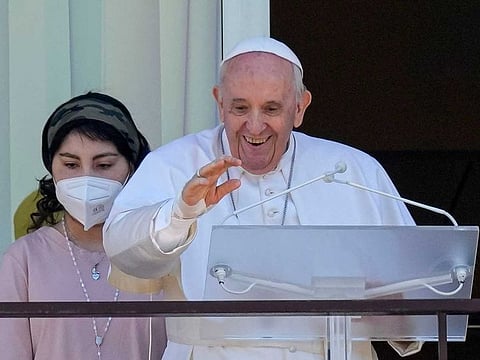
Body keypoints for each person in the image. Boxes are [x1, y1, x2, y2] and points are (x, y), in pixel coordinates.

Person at [104, 37, 422, 359]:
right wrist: (179, 214)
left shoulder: (355, 171)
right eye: (240, 108)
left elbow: (418, 293)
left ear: (299, 108)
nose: (254, 126)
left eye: (272, 108)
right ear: (219, 103)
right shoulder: (173, 165)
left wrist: (389, 306)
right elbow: (123, 252)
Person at [0, 92, 167, 360]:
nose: (86, 178)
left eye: (103, 165)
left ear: (132, 168)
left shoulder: (161, 254)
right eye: (70, 164)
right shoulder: (23, 261)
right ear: (51, 168)